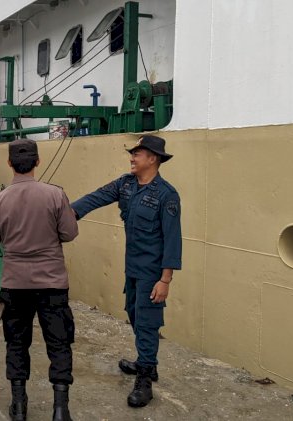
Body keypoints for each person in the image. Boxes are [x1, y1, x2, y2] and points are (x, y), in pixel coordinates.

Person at [70, 135, 182, 408]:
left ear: (153, 158)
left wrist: (165, 279)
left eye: (137, 154)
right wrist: (66, 212)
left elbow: (173, 239)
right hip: (132, 267)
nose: (132, 158)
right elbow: (96, 198)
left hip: (152, 272)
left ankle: (145, 379)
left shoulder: (167, 195)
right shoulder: (126, 185)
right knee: (133, 313)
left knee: (147, 322)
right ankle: (148, 361)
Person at [0, 138, 78, 421]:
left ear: (9, 164)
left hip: (15, 283)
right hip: (53, 283)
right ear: (37, 162)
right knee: (59, 343)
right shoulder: (55, 195)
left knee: (17, 343)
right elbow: (69, 233)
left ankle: (19, 407)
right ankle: (60, 409)